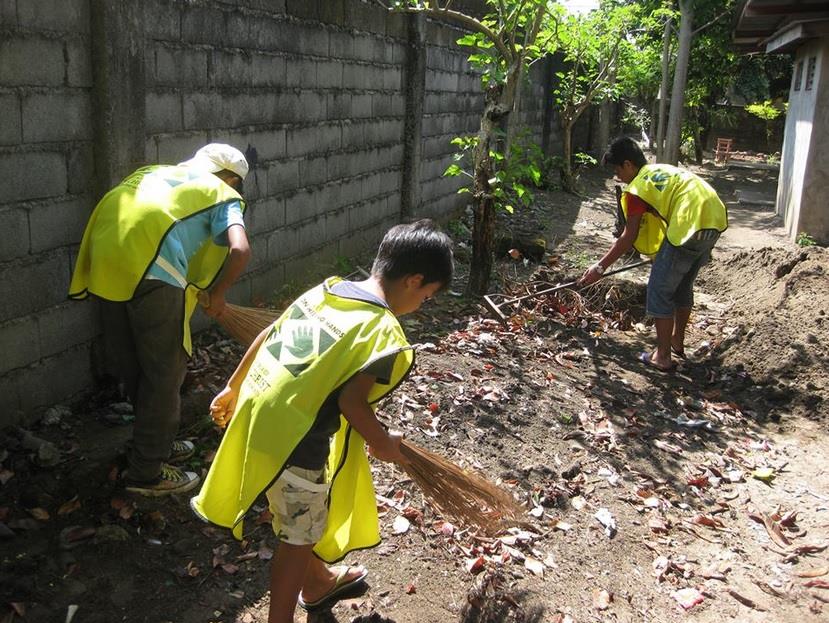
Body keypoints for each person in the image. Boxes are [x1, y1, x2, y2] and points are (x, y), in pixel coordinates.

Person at [190, 220, 454, 623]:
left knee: (298, 515)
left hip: (257, 419)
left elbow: (270, 333)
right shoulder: (382, 331)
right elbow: (352, 403)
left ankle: (317, 583)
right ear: (414, 280)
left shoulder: (329, 290)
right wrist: (383, 443)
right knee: (298, 538)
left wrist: (232, 385)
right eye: (428, 296)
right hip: (296, 442)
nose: (424, 305)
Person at [69, 143, 252, 495]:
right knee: (166, 371)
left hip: (105, 259)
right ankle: (147, 472)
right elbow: (240, 249)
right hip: (155, 269)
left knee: (136, 364)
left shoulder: (155, 173)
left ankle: (154, 444)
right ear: (230, 178)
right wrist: (218, 294)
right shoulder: (223, 193)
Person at [579, 136, 728, 371]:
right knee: (682, 287)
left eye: (618, 170)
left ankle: (663, 357)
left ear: (628, 165)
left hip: (688, 227)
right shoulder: (662, 170)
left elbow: (629, 237)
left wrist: (600, 267)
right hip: (715, 221)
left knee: (659, 290)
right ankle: (677, 342)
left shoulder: (638, 188)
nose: (618, 177)